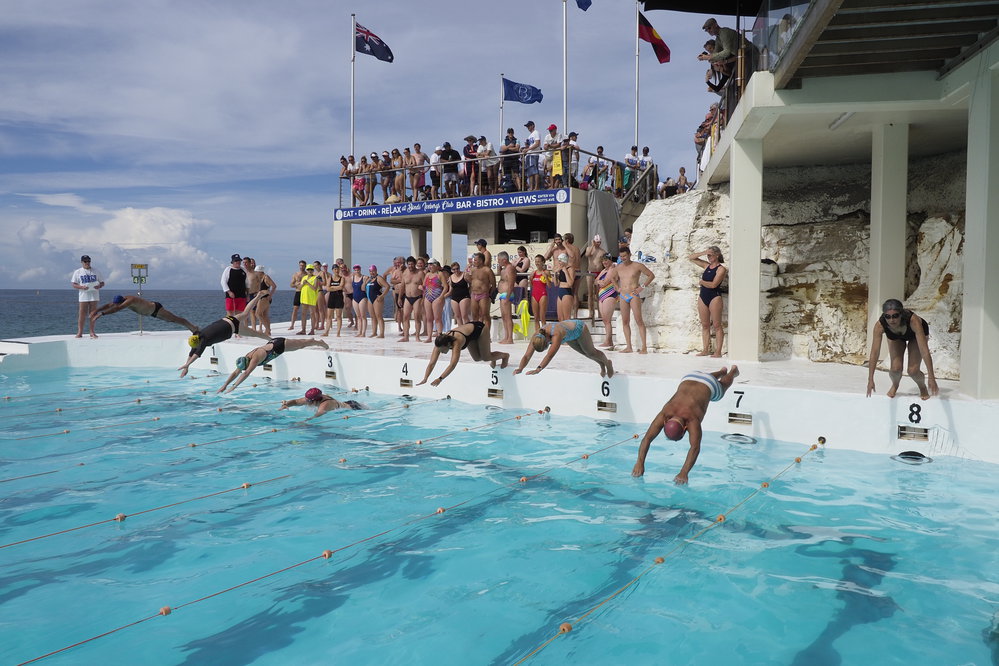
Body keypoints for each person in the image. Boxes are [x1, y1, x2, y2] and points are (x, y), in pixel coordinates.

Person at [631, 366, 740, 484]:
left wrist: (684, 472)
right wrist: (639, 463)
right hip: (689, 377)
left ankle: (732, 372)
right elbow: (646, 439)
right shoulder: (666, 413)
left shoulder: (691, 420)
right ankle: (721, 372)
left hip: (708, 383)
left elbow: (695, 448)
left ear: (685, 428)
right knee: (705, 381)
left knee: (722, 388)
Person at [178, 294, 268, 377]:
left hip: (231, 327)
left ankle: (270, 339)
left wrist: (187, 365)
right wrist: (187, 366)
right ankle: (258, 296)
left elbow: (196, 355)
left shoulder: (203, 341)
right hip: (226, 320)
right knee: (245, 314)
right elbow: (192, 352)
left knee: (254, 333)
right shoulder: (197, 335)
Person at [866, 299, 939, 400]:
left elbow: (924, 351)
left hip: (915, 335)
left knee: (913, 371)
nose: (892, 320)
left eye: (895, 316)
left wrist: (931, 377)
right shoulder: (880, 325)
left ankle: (922, 387)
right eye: (888, 316)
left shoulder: (913, 321)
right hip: (896, 337)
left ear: (901, 314)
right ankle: (895, 385)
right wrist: (870, 379)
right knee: (895, 369)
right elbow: (874, 352)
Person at [218, 337, 329, 393]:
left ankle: (318, 342)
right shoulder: (244, 359)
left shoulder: (254, 358)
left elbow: (246, 373)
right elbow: (236, 372)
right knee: (300, 344)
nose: (244, 369)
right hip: (273, 344)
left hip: (279, 345)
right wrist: (224, 385)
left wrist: (234, 386)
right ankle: (313, 341)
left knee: (301, 345)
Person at [416, 322, 510, 387]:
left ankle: (505, 356)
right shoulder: (439, 344)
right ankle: (493, 357)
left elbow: (453, 364)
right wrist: (425, 378)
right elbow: (432, 363)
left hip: (479, 329)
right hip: (469, 335)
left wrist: (440, 379)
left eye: (442, 350)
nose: (440, 352)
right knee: (477, 358)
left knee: (486, 357)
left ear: (448, 345)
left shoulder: (457, 342)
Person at [514, 319, 614, 378]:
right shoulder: (537, 336)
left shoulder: (556, 335)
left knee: (591, 352)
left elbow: (549, 356)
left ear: (548, 339)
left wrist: (538, 369)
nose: (549, 344)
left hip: (579, 329)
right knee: (586, 354)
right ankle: (601, 363)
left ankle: (607, 363)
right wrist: (520, 368)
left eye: (548, 344)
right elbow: (527, 356)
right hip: (568, 336)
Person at [689, 247, 727, 357]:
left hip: (714, 297)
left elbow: (713, 285)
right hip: (703, 296)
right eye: (708, 255)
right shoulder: (706, 266)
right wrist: (704, 252)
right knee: (705, 325)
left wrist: (702, 282)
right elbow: (691, 257)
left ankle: (718, 352)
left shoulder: (721, 269)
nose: (708, 257)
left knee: (717, 325)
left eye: (710, 255)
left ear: (717, 255)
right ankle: (705, 349)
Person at [616, 246, 655, 353]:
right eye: (621, 256)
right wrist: (617, 288)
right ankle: (629, 346)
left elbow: (651, 275)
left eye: (624, 256)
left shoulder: (637, 265)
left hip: (633, 295)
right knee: (625, 321)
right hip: (623, 296)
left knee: (639, 321)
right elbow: (612, 278)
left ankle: (644, 347)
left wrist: (642, 287)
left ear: (629, 255)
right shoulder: (619, 267)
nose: (623, 258)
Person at [92, 295, 198, 332]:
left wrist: (101, 314)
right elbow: (110, 305)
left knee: (175, 319)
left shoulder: (129, 301)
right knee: (172, 321)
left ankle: (193, 327)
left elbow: (116, 309)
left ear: (122, 301)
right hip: (151, 313)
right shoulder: (122, 299)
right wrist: (96, 310)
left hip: (156, 309)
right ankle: (192, 327)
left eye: (117, 304)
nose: (116, 305)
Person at [71, 255, 104, 338]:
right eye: (85, 261)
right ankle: (80, 332)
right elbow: (74, 284)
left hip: (94, 295)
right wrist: (81, 287)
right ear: (82, 262)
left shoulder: (96, 271)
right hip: (83, 296)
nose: (87, 263)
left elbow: (102, 282)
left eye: (88, 261)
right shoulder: (78, 272)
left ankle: (92, 332)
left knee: (93, 314)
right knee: (82, 314)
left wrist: (99, 286)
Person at [279, 387, 364, 419]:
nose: (306, 401)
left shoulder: (325, 404)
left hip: (354, 408)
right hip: (346, 403)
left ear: (315, 400)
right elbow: (296, 401)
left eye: (309, 400)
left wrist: (306, 420)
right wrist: (286, 404)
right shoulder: (311, 398)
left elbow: (319, 414)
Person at [594, 254, 619, 348]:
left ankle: (608, 341)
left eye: (606, 260)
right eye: (603, 260)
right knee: (605, 320)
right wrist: (600, 282)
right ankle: (609, 340)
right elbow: (595, 281)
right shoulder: (604, 270)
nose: (604, 262)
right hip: (602, 296)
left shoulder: (613, 269)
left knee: (607, 320)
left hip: (610, 295)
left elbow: (604, 283)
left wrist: (600, 282)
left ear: (610, 260)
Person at [422, 259, 448, 343]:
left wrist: (441, 297)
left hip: (437, 297)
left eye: (431, 264)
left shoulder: (440, 274)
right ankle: (429, 337)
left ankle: (439, 335)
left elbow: (445, 286)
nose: (429, 266)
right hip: (428, 297)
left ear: (436, 265)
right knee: (429, 318)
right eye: (428, 265)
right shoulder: (427, 275)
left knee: (437, 318)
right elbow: (424, 286)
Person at [399, 256, 424, 342]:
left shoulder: (420, 273)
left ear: (415, 264)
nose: (410, 266)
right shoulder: (405, 273)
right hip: (407, 298)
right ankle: (406, 337)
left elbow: (426, 285)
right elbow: (402, 286)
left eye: (412, 264)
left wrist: (423, 291)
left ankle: (417, 337)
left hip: (417, 297)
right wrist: (399, 298)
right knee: (405, 317)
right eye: (409, 264)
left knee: (417, 317)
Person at [467, 252, 495, 325]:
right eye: (474, 260)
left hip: (483, 294)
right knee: (474, 315)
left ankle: (487, 334)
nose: (474, 262)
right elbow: (472, 281)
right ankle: (477, 333)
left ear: (481, 261)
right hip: (474, 294)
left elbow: (493, 284)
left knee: (485, 315)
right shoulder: (472, 270)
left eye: (475, 260)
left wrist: (490, 294)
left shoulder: (487, 270)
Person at [496, 252, 517, 344]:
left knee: (508, 316)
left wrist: (508, 296)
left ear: (504, 260)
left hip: (507, 294)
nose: (498, 262)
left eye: (499, 260)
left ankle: (510, 338)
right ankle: (506, 336)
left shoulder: (510, 268)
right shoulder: (504, 269)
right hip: (503, 294)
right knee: (504, 316)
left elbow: (511, 283)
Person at [366, 264, 390, 338]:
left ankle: (382, 333)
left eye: (373, 271)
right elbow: (364, 288)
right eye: (370, 271)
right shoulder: (369, 279)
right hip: (370, 299)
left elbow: (387, 286)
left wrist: (382, 296)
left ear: (376, 271)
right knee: (372, 317)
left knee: (379, 316)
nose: (372, 272)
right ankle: (374, 332)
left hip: (377, 299)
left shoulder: (379, 278)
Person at [253, 265, 278, 337]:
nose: (256, 273)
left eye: (256, 272)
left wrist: (270, 295)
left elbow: (274, 286)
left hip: (264, 298)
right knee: (265, 315)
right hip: (264, 297)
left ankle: (267, 329)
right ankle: (268, 331)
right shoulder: (261, 278)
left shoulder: (266, 277)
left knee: (257, 314)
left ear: (260, 271)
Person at [529, 254, 551, 334]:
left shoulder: (546, 272)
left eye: (538, 261)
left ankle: (545, 334)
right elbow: (532, 285)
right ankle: (537, 334)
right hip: (534, 294)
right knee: (536, 318)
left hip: (542, 294)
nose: (537, 263)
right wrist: (530, 279)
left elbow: (549, 285)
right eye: (536, 261)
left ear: (543, 262)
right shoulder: (533, 273)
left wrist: (546, 277)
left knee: (542, 317)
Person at [323, 261, 345, 337]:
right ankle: (326, 332)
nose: (336, 270)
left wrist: (332, 287)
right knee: (329, 316)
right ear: (332, 270)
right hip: (332, 298)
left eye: (337, 269)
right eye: (335, 269)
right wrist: (336, 288)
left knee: (338, 316)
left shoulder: (342, 278)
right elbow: (327, 289)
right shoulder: (330, 278)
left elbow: (341, 287)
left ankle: (338, 332)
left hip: (339, 298)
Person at [297, 264, 320, 335]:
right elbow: (299, 288)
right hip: (304, 298)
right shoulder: (304, 277)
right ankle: (303, 330)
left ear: (313, 271)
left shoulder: (315, 278)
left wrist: (308, 283)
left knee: (312, 314)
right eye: (308, 269)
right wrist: (303, 284)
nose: (310, 271)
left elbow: (315, 288)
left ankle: (312, 330)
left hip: (311, 298)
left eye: (311, 270)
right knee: (303, 314)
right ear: (307, 270)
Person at [449, 260, 471, 326]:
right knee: (457, 316)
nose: (456, 270)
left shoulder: (464, 274)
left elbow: (471, 284)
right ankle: (460, 332)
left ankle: (468, 331)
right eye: (454, 269)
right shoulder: (451, 277)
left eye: (457, 268)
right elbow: (451, 289)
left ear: (459, 268)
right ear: (452, 270)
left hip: (464, 296)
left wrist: (469, 291)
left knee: (464, 316)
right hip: (454, 297)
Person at [522, 121, 541, 191]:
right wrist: (526, 148)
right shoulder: (530, 135)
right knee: (530, 172)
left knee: (535, 171)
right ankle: (531, 187)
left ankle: (536, 187)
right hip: (529, 154)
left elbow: (537, 143)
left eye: (529, 126)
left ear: (533, 125)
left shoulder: (536, 132)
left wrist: (528, 149)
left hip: (534, 154)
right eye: (527, 126)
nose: (528, 128)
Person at [288, 260, 307, 330]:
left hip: (305, 293)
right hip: (298, 292)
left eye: (303, 265)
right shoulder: (295, 274)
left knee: (305, 310)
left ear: (305, 266)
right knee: (295, 309)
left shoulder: (307, 274)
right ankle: (292, 325)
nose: (301, 267)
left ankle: (304, 327)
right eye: (300, 265)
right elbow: (291, 284)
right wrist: (296, 284)